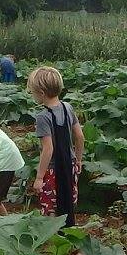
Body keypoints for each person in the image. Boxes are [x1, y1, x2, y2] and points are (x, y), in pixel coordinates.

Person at [27, 67, 84, 229]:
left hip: (52, 170)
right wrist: (78, 159)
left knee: (51, 207)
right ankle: (71, 235)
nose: (32, 95)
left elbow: (48, 149)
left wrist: (39, 177)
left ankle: (54, 238)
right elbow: (80, 136)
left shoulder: (43, 117)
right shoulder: (68, 108)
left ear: (41, 93)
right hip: (70, 165)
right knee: (68, 201)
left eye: (33, 92)